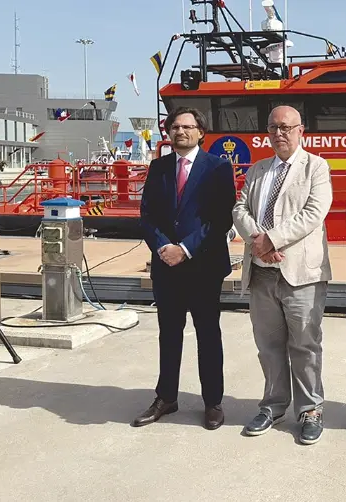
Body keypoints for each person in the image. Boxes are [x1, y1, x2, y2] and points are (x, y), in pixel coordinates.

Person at [231, 105, 333, 445]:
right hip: (262, 274)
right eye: (274, 127)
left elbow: (314, 213)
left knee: (305, 345)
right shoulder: (258, 169)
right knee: (268, 345)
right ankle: (273, 406)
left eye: (286, 127)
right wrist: (258, 242)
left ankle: (310, 410)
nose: (279, 133)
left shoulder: (316, 167)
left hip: (301, 274)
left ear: (301, 130)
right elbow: (239, 208)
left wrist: (271, 239)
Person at [133, 106, 236, 430]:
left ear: (200, 132)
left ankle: (213, 402)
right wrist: (163, 247)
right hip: (167, 266)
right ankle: (166, 397)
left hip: (203, 266)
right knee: (169, 334)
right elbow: (147, 214)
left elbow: (221, 218)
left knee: (208, 335)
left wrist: (186, 249)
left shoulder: (218, 168)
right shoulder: (159, 167)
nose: (181, 131)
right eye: (175, 126)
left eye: (188, 126)